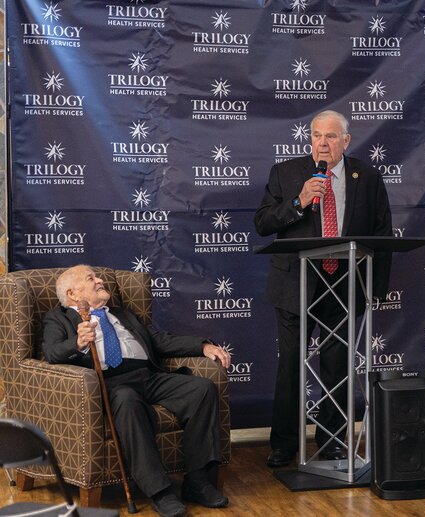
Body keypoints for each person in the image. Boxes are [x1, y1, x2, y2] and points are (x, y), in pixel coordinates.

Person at [254, 110, 392, 468]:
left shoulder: (367, 176)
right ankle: (284, 443)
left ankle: (331, 438)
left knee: (337, 366)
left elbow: (382, 233)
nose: (322, 143)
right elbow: (263, 223)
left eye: (331, 136)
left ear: (346, 141)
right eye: (316, 135)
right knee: (291, 367)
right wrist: (299, 201)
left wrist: (375, 288)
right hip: (295, 285)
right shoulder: (286, 173)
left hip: (345, 284)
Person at [42, 265, 231, 517]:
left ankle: (197, 481)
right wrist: (77, 343)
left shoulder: (122, 313)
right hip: (108, 383)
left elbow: (160, 341)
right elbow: (51, 353)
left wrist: (203, 346)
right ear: (73, 294)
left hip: (148, 376)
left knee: (201, 389)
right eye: (91, 278)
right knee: (127, 399)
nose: (100, 280)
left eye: (97, 277)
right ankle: (159, 490)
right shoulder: (59, 318)